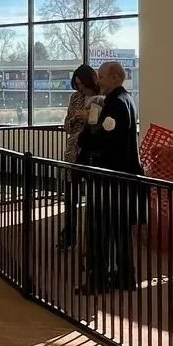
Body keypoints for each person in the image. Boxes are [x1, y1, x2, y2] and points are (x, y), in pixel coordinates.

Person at [80, 60, 144, 293]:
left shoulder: (114, 104)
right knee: (120, 231)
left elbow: (102, 140)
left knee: (99, 232)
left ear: (116, 77)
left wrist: (86, 133)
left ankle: (97, 281)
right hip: (124, 178)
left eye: (102, 77)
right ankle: (126, 277)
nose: (99, 81)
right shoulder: (128, 100)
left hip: (107, 177)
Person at [58, 64, 98, 250]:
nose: (80, 87)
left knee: (94, 198)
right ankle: (69, 234)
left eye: (82, 84)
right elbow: (66, 126)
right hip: (74, 151)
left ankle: (91, 238)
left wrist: (90, 119)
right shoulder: (75, 98)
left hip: (92, 153)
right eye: (77, 84)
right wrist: (75, 119)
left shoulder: (101, 99)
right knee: (70, 196)